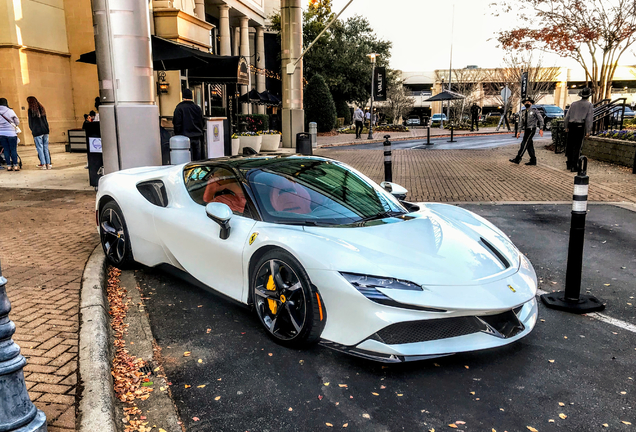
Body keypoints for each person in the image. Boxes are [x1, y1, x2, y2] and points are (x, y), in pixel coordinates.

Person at [564, 87, 594, 172]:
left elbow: (567, 116)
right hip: (580, 126)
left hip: (571, 125)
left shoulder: (573, 104)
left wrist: (566, 126)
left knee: (570, 145)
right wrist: (588, 131)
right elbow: (589, 119)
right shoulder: (589, 105)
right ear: (588, 96)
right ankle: (574, 165)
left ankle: (569, 163)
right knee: (577, 146)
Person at [510, 98, 544, 166]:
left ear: (531, 103)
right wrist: (518, 131)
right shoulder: (523, 112)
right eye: (525, 102)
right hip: (526, 129)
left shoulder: (534, 110)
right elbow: (520, 122)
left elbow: (541, 119)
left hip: (532, 129)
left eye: (528, 102)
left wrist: (541, 128)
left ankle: (518, 158)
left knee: (524, 144)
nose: (527, 103)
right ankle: (533, 160)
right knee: (529, 145)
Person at [173, 88, 204, 160]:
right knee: (197, 158)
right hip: (197, 136)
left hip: (184, 136)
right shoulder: (197, 108)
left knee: (186, 158)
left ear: (183, 97)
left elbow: (177, 122)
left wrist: (177, 134)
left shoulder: (179, 108)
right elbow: (202, 121)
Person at [27, 96, 51, 169]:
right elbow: (45, 120)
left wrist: (32, 129)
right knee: (46, 147)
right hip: (45, 130)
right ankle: (48, 164)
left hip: (37, 131)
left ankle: (43, 164)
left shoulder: (31, 110)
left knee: (39, 148)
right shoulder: (42, 108)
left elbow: (30, 122)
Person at [0, 98, 20, 171]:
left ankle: (8, 166)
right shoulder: (10, 111)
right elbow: (17, 122)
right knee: (13, 149)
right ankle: (15, 165)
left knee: (6, 150)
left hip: (1, 133)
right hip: (11, 133)